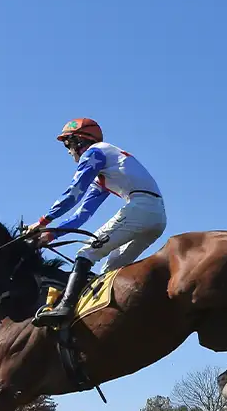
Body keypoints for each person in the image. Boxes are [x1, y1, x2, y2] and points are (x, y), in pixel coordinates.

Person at [26, 118, 166, 327]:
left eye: (67, 144)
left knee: (85, 253)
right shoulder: (104, 170)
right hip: (157, 216)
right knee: (109, 271)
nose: (68, 151)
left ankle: (65, 307)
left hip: (140, 208)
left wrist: (43, 221)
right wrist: (51, 234)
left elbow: (73, 193)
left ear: (79, 140)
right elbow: (82, 214)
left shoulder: (94, 152)